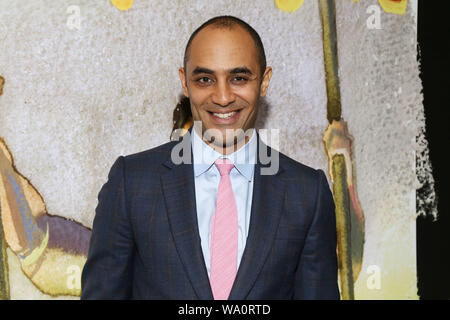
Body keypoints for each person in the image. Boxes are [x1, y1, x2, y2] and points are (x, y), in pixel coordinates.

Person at [81, 15, 339, 300]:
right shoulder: (132, 183)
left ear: (264, 82)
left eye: (238, 78)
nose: (223, 97)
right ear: (185, 82)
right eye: (205, 79)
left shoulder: (306, 193)